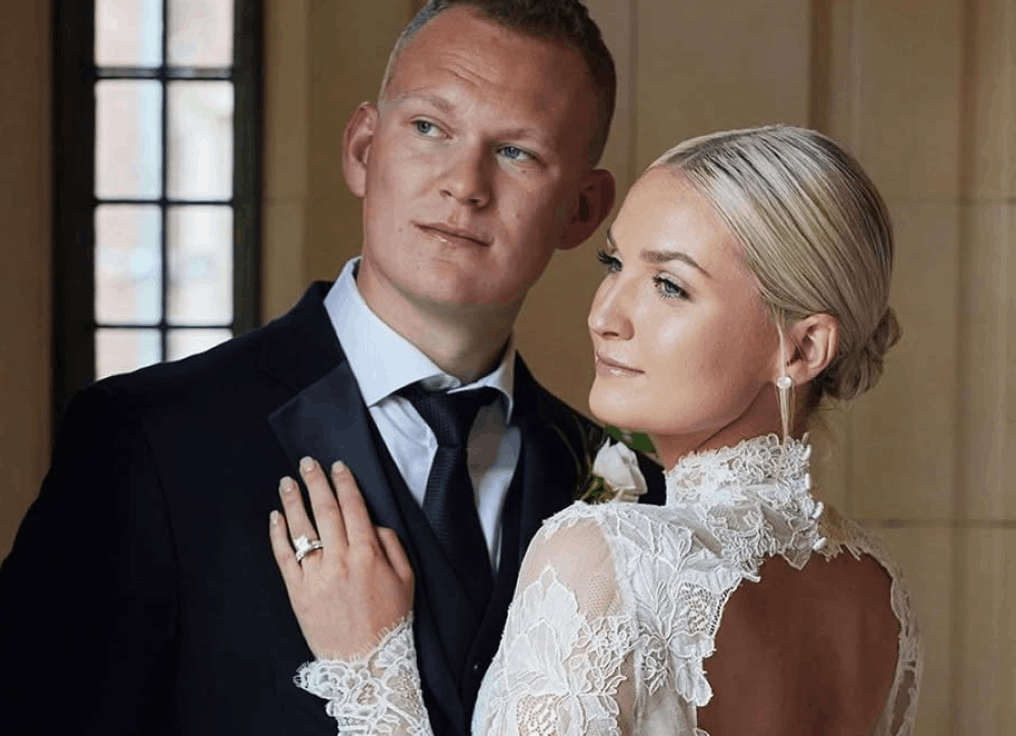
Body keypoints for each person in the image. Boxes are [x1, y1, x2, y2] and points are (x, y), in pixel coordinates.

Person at [0, 0, 664, 736]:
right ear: (364, 148)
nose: (464, 183)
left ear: (583, 210)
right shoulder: (148, 446)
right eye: (429, 128)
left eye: (517, 153)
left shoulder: (633, 498)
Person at [270, 125, 923, 734]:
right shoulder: (879, 590)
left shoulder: (610, 555)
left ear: (802, 350)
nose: (605, 316)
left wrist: (370, 676)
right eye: (613, 265)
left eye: (669, 286)